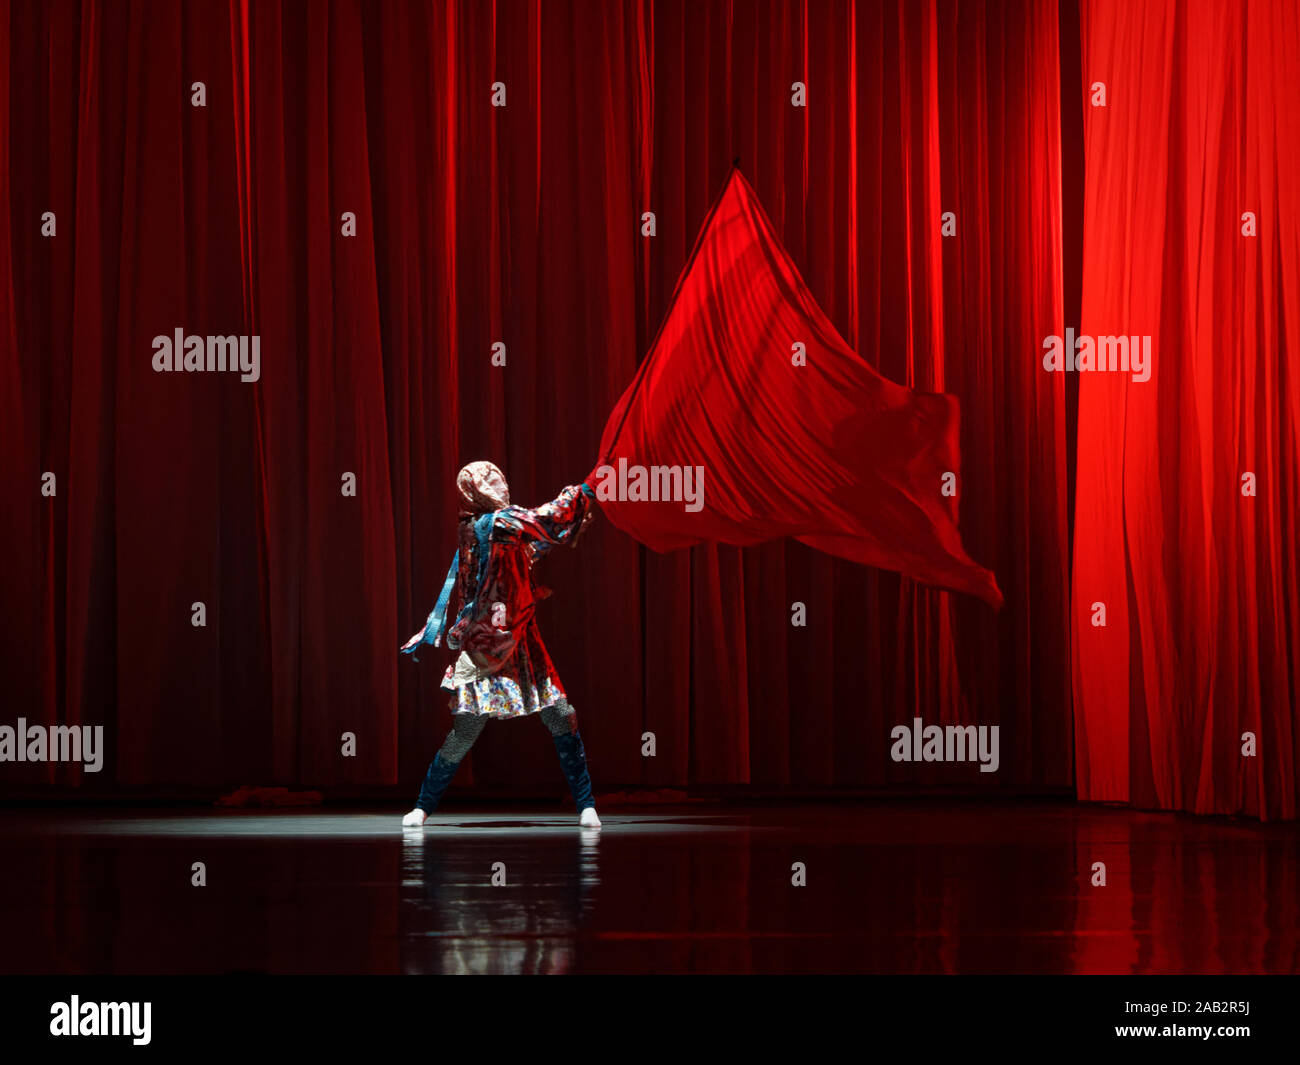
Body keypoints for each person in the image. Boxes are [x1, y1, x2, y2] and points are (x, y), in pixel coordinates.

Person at [400, 461, 601, 829]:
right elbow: (547, 519)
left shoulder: (475, 527)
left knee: (556, 713)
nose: (500, 485)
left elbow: (527, 550)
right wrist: (584, 492)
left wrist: (567, 519)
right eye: (492, 481)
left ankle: (586, 805)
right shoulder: (499, 523)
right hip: (494, 642)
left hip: (510, 637)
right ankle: (422, 807)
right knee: (475, 728)